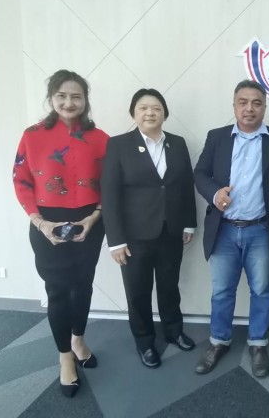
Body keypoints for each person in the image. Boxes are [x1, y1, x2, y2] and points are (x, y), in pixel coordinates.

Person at [193, 79, 269, 378]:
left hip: (261, 231)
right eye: (243, 102)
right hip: (224, 230)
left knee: (261, 290)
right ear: (234, 105)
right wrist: (215, 193)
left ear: (265, 107)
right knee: (221, 291)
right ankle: (219, 341)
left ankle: (258, 343)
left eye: (256, 103)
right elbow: (200, 173)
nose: (249, 108)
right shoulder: (217, 137)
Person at [13, 70, 108, 397]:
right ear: (52, 98)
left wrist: (95, 217)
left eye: (76, 96)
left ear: (85, 100)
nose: (69, 102)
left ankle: (78, 340)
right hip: (46, 221)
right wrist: (40, 222)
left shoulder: (101, 138)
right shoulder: (32, 135)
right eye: (62, 96)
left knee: (83, 285)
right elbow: (21, 180)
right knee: (57, 290)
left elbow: (110, 183)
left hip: (90, 220)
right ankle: (65, 356)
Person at [101, 88, 197, 369]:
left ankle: (174, 331)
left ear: (164, 113)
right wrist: (115, 240)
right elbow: (110, 194)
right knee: (138, 292)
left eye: (156, 108)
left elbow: (185, 185)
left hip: (171, 231)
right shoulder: (119, 145)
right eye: (143, 108)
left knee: (169, 287)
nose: (150, 113)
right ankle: (144, 342)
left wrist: (189, 222)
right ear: (133, 113)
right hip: (134, 236)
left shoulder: (177, 143)